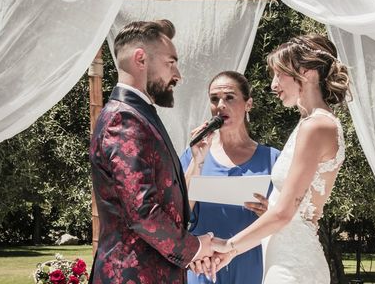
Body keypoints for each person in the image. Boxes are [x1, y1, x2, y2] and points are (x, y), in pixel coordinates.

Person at [197, 34, 350, 284]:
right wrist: (231, 253)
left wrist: (228, 244)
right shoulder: (309, 124)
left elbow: (283, 214)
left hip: (293, 267)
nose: (273, 85)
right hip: (283, 256)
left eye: (280, 74)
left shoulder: (316, 126)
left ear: (307, 72)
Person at [89, 19, 215, 284]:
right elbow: (143, 212)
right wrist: (195, 248)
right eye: (171, 62)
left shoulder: (138, 115)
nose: (177, 75)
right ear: (141, 59)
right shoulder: (123, 120)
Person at [180, 71, 281, 284]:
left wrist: (269, 212)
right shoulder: (193, 155)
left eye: (229, 97)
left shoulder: (273, 160)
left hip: (250, 267)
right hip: (202, 267)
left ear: (249, 104)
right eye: (214, 99)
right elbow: (179, 212)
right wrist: (197, 161)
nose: (220, 104)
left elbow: (286, 218)